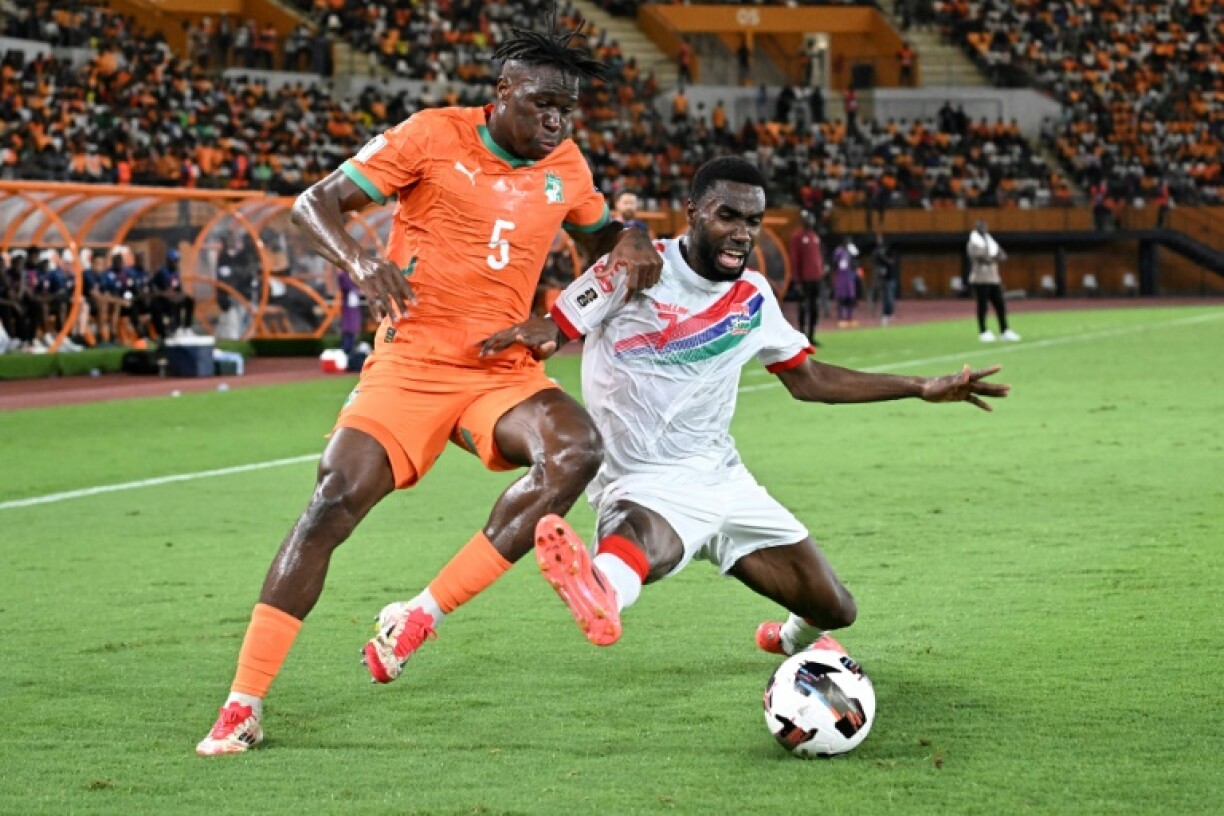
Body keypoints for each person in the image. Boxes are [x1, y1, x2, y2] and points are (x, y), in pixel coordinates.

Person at [195, 17, 664, 756]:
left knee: (575, 450)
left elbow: (602, 232)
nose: (555, 121)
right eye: (542, 102)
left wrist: (628, 234)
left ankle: (420, 613)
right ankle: (244, 702)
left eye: (566, 109)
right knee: (330, 505)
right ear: (500, 91)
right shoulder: (430, 134)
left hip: (500, 368)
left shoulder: (566, 164)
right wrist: (359, 260)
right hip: (412, 361)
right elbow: (313, 203)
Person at [481, 157, 1010, 655]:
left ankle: (786, 640)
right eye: (727, 216)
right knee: (636, 538)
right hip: (642, 480)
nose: (742, 232)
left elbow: (809, 379)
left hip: (725, 479)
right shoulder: (634, 267)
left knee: (836, 609)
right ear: (693, 213)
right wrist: (530, 337)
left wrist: (920, 387)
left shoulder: (754, 295)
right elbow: (558, 327)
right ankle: (601, 590)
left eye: (752, 220)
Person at [967, 220, 1019, 342]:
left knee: (1000, 305)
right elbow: (982, 258)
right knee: (982, 305)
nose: (984, 228)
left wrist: (996, 256)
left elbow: (1001, 254)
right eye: (981, 226)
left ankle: (1004, 330)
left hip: (993, 278)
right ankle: (983, 331)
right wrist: (994, 257)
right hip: (980, 279)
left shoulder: (990, 241)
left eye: (985, 226)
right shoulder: (973, 242)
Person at [788, 210, 825, 344]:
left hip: (816, 278)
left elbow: (818, 257)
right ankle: (802, 336)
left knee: (814, 307)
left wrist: (820, 271)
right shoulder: (797, 237)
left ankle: (812, 335)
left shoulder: (814, 236)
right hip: (804, 279)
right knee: (803, 306)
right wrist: (797, 280)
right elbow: (795, 259)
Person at [150, 249, 196, 339]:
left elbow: (178, 288)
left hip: (174, 296)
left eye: (177, 260)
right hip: (163, 300)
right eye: (174, 261)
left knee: (190, 301)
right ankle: (176, 328)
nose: (176, 263)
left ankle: (187, 328)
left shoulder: (176, 272)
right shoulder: (162, 272)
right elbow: (154, 287)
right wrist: (165, 294)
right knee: (175, 303)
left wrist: (181, 295)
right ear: (168, 261)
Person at [831, 236, 860, 328]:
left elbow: (856, 258)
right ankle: (841, 316)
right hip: (841, 276)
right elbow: (834, 263)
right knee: (841, 297)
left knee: (851, 297)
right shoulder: (839, 251)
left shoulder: (851, 250)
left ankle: (849, 315)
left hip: (849, 276)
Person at [870, 231, 896, 326]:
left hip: (889, 277)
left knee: (889, 296)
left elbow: (891, 262)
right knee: (884, 296)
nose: (878, 240)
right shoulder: (877, 251)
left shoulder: (888, 250)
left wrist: (884, 258)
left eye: (880, 238)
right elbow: (874, 260)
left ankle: (889, 313)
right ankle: (885, 313)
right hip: (882, 277)